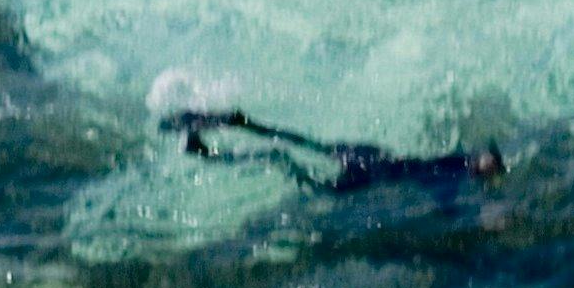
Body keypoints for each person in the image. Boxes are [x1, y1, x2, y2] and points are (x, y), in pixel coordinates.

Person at [167, 104, 503, 197]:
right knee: (285, 162)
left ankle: (244, 123)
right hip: (367, 174)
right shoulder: (455, 177)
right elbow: (443, 203)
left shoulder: (459, 159)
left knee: (299, 145)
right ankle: (204, 153)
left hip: (370, 155)